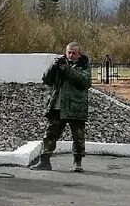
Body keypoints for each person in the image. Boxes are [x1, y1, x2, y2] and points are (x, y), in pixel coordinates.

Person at [32, 42, 92, 172]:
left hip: (76, 107)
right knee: (50, 134)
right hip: (58, 106)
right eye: (69, 52)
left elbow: (84, 82)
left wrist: (68, 70)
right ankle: (45, 161)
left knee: (78, 136)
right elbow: (47, 80)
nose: (70, 55)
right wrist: (53, 67)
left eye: (74, 53)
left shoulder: (83, 65)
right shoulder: (59, 63)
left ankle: (77, 162)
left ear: (79, 55)